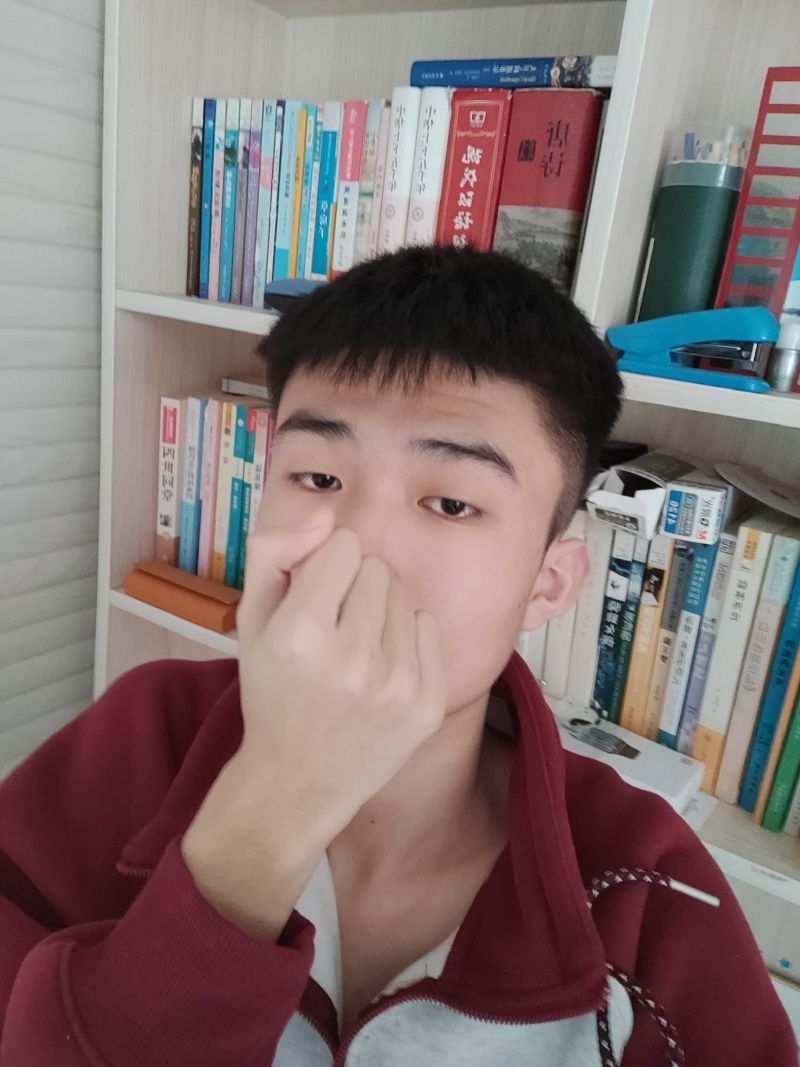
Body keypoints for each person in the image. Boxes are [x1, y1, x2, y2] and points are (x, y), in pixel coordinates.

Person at [0, 246, 795, 1066]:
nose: (360, 544)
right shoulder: (136, 738)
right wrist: (275, 800)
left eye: (450, 501)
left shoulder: (650, 889)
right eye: (317, 478)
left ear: (547, 584)